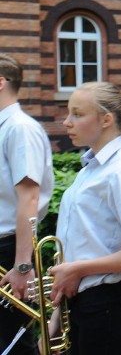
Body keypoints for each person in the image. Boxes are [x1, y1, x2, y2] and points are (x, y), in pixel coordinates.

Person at [45, 82, 121, 355]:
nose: (67, 122)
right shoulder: (91, 169)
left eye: (77, 114)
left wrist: (77, 270)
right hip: (85, 303)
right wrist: (56, 317)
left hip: (108, 303)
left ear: (106, 119)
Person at [0, 53, 54, 355]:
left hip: (10, 251)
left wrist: (22, 265)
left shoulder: (19, 128)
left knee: (12, 345)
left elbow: (29, 196)